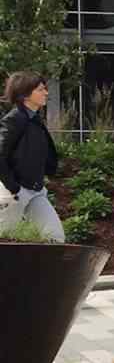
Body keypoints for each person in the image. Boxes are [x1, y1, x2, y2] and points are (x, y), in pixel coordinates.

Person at [0, 72, 63, 241]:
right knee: (4, 240)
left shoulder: (35, 119)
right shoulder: (14, 120)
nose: (46, 93)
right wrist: (13, 188)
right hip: (13, 193)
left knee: (55, 237)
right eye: (41, 89)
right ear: (25, 94)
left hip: (36, 190)